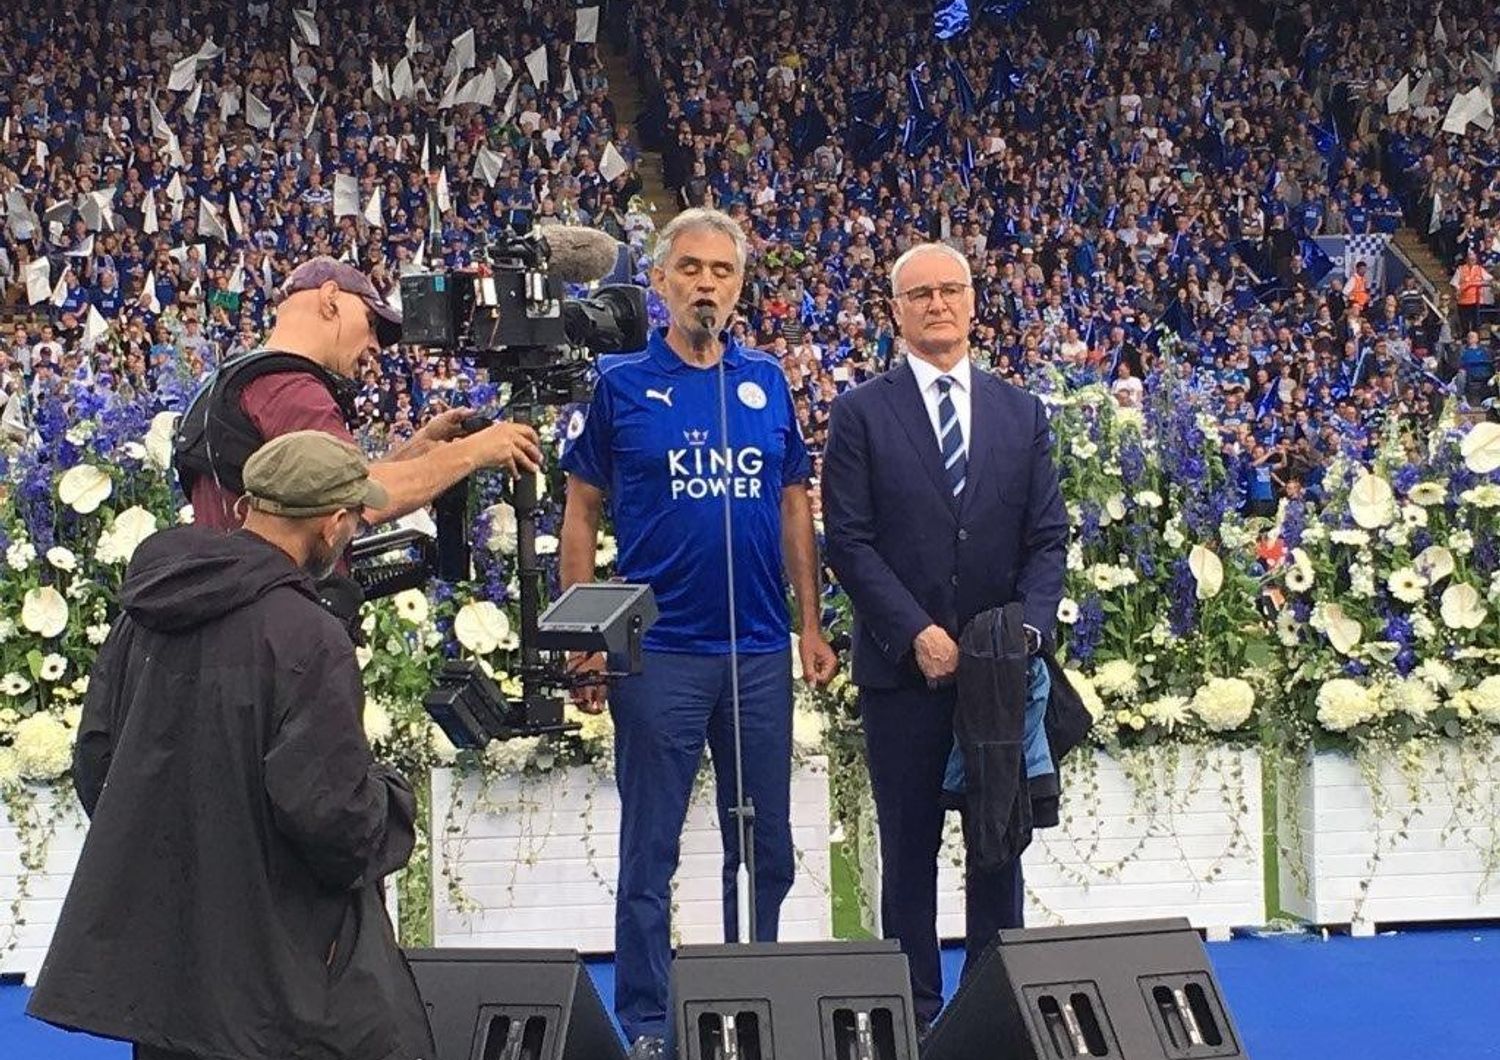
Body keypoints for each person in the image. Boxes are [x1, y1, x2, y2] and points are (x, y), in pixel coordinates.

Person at [27, 431, 433, 1060]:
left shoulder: (149, 611)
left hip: (169, 971)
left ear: (249, 506)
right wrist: (393, 803)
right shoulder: (309, 636)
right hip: (272, 976)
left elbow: (97, 761)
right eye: (352, 517)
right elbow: (332, 818)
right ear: (330, 524)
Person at [557, 207, 839, 1055]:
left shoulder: (767, 382)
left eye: (721, 271)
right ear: (661, 281)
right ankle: (647, 1018)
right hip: (660, 653)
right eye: (690, 269)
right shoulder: (618, 385)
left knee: (768, 846)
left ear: (739, 284)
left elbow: (795, 504)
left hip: (756, 652)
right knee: (651, 849)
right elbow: (580, 516)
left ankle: (751, 993)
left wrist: (809, 623)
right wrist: (588, 641)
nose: (706, 284)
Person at [821, 242, 1068, 1032]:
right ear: (896, 310)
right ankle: (914, 1012)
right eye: (920, 293)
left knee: (1001, 842)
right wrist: (915, 632)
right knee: (909, 853)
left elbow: (1048, 539)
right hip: (905, 675)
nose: (937, 304)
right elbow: (849, 541)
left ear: (972, 302)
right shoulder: (861, 412)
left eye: (950, 290)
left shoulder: (1021, 412)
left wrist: (1024, 632)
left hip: (997, 676)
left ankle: (997, 1010)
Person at [176, 256, 542, 530]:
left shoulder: (239, 379)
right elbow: (354, 499)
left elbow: (320, 487)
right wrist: (474, 451)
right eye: (370, 324)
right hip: (285, 613)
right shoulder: (293, 390)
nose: (374, 347)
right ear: (330, 299)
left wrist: (419, 447)